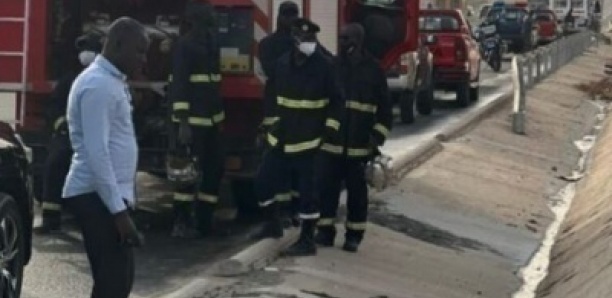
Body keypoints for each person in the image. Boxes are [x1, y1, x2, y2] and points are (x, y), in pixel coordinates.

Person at [62, 17, 149, 298]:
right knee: (113, 285)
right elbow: (97, 153)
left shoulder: (110, 81)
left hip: (105, 198)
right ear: (118, 45)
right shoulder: (98, 85)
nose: (144, 59)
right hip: (95, 196)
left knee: (118, 282)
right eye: (139, 50)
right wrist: (119, 213)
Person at [254, 18, 341, 256]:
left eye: (313, 39)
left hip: (310, 139)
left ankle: (307, 239)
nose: (310, 43)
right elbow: (278, 101)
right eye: (305, 39)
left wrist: (330, 129)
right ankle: (272, 223)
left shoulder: (325, 67)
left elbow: (337, 102)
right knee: (262, 180)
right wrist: (268, 126)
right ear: (295, 40)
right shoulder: (283, 65)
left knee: (308, 192)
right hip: (283, 136)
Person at [315, 23, 392, 253]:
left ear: (358, 41)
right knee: (326, 191)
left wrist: (375, 139)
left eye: (347, 38)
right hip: (332, 145)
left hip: (360, 147)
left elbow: (385, 112)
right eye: (341, 38)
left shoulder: (374, 70)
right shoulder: (333, 67)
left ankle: (354, 236)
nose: (342, 42)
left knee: (357, 196)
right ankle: (325, 231)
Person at [35, 32, 103, 234]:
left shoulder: (105, 78)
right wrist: (61, 124)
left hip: (95, 136)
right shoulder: (70, 79)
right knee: (54, 165)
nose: (85, 55)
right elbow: (55, 105)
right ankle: (51, 218)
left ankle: (96, 217)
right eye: (83, 50)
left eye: (89, 50)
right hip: (69, 134)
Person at [168, 1, 225, 238]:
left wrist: (219, 119)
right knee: (186, 173)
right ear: (196, 20)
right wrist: (182, 123)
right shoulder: (185, 45)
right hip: (191, 122)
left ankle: (204, 218)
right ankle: (181, 221)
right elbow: (179, 85)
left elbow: (214, 84)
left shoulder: (212, 44)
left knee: (214, 169)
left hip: (212, 120)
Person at [257, 1, 301, 229]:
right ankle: (279, 213)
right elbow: (273, 69)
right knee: (277, 166)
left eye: (295, 15)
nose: (291, 19)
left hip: (298, 115)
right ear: (279, 18)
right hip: (275, 114)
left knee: (297, 167)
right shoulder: (267, 45)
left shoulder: (303, 45)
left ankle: (294, 210)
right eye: (288, 15)